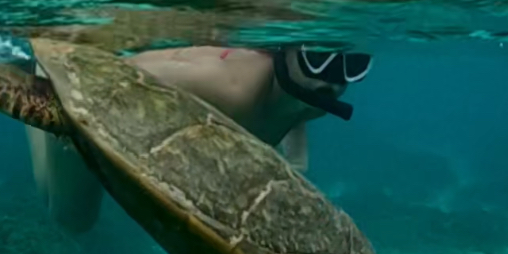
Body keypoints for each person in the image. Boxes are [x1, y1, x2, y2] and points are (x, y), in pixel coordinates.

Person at [27, 44, 372, 234]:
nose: (333, 81)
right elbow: (94, 80)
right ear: (286, 48)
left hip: (149, 119)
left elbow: (298, 114)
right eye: (317, 59)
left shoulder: (311, 97)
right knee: (71, 219)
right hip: (82, 88)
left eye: (352, 65)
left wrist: (295, 165)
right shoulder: (228, 86)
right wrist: (71, 126)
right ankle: (37, 75)